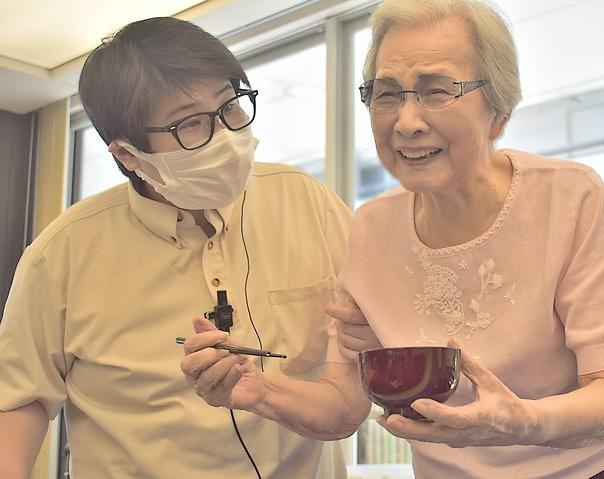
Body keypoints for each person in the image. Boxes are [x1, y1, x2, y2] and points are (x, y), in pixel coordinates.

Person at [182, 0, 604, 477]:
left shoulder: (569, 196)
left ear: (498, 108)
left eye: (437, 91)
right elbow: (344, 404)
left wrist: (517, 420)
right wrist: (258, 390)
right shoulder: (371, 228)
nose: (407, 122)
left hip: (597, 468)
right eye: (387, 94)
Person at [0, 17, 353, 479]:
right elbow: (17, 400)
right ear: (128, 154)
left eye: (231, 106)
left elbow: (362, 353)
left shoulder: (307, 202)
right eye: (190, 124)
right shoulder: (62, 253)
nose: (226, 136)